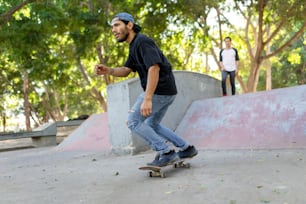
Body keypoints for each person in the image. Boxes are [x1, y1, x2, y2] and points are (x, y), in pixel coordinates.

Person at [94, 12, 198, 167]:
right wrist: (109, 70)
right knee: (152, 124)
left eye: (117, 25)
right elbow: (126, 70)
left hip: (159, 91)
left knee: (133, 121)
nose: (113, 30)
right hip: (167, 91)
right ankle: (186, 148)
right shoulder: (134, 45)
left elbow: (154, 68)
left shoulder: (142, 41)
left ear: (129, 25)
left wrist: (148, 98)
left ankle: (166, 152)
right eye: (112, 27)